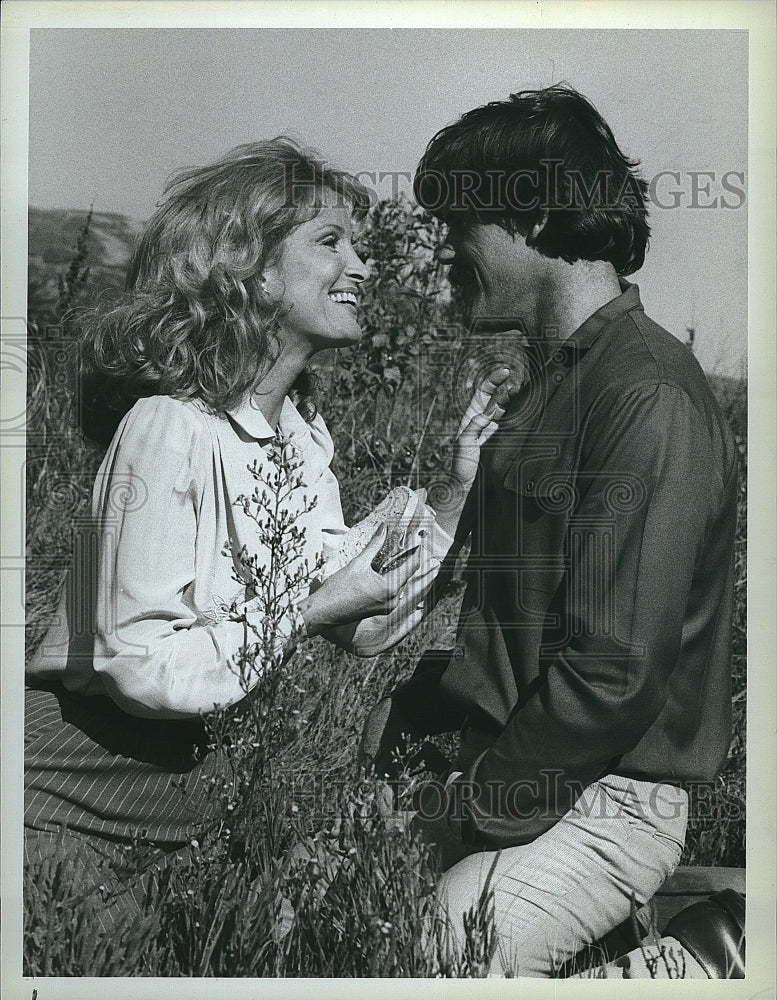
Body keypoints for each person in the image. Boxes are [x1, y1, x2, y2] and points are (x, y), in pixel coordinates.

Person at [24, 138, 501, 931]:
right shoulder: (170, 427)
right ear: (250, 271)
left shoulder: (298, 437)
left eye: (355, 243)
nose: (362, 266)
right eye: (329, 242)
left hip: (188, 808)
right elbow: (139, 661)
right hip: (70, 795)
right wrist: (306, 614)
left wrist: (453, 493)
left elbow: (364, 617)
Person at [362, 85, 740, 977]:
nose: (442, 242)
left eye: (458, 217)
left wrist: (466, 813)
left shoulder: (642, 394)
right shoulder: (556, 383)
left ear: (530, 210)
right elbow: (505, 611)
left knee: (437, 958)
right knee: (329, 920)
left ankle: (709, 961)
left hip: (603, 793)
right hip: (514, 773)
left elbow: (611, 674)